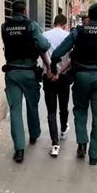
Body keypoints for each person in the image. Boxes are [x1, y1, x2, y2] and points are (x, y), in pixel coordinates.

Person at [50, 3, 97, 165]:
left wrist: (53, 64)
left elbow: (60, 51)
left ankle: (82, 144)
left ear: (89, 16)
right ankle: (94, 155)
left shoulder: (79, 31)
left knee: (80, 110)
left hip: (82, 76)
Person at [1, 0, 51, 163]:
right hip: (29, 72)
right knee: (32, 105)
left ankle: (19, 150)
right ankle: (34, 134)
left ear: (12, 11)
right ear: (24, 11)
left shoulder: (5, 27)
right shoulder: (31, 25)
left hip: (12, 73)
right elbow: (43, 46)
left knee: (15, 110)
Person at [42, 14, 71, 157]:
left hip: (48, 77)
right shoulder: (68, 36)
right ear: (64, 24)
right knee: (63, 106)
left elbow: (41, 54)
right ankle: (64, 129)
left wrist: (49, 70)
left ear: (54, 23)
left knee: (51, 111)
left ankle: (55, 144)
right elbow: (72, 58)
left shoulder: (44, 35)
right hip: (63, 76)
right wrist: (60, 71)